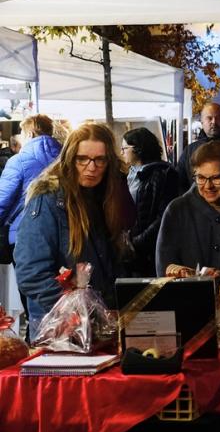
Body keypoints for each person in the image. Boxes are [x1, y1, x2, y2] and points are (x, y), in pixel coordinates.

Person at [15, 122, 134, 336]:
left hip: (99, 326)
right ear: (70, 159)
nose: (91, 167)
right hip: (59, 329)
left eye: (100, 159)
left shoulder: (105, 197)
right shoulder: (48, 200)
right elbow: (31, 273)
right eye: (82, 159)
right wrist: (76, 312)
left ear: (109, 162)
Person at [156, 139, 220, 276]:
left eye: (216, 178)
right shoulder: (177, 211)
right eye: (201, 177)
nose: (208, 186)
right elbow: (165, 265)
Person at [121, 127, 181, 277]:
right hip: (132, 250)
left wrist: (136, 243)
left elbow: (164, 216)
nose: (121, 152)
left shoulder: (163, 174)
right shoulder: (130, 173)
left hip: (150, 252)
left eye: (124, 148)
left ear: (138, 149)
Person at [0, 115, 61, 263]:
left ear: (30, 134)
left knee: (31, 282)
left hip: (24, 234)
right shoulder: (65, 158)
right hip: (61, 233)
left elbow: (3, 200)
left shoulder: (18, 161)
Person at [177, 102, 220, 183]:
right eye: (209, 118)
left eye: (218, 118)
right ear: (202, 122)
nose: (214, 122)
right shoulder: (190, 150)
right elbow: (180, 180)